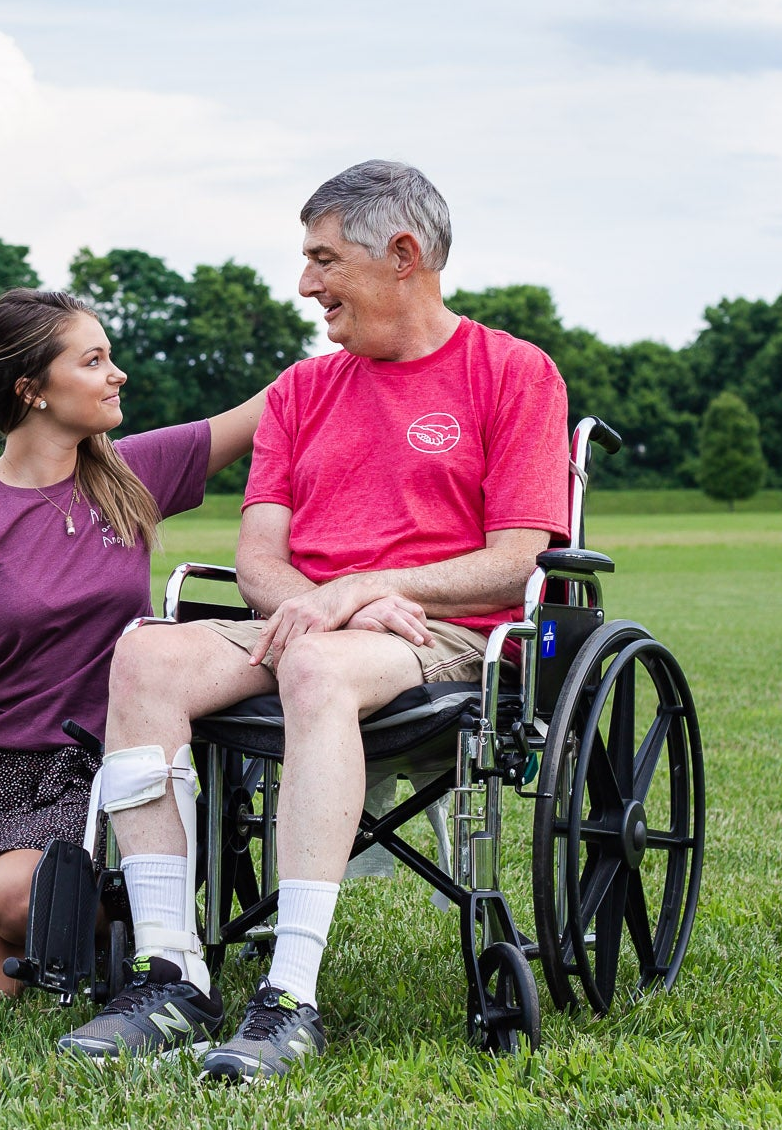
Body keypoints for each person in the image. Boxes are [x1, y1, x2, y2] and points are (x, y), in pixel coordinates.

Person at [56, 160, 571, 1080]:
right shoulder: (302, 391)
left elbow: (519, 556)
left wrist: (364, 593)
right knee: (144, 657)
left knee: (321, 669)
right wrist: (324, 601)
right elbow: (258, 557)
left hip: (445, 639)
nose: (306, 284)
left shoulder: (512, 372)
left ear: (403, 255)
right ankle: (170, 974)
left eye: (323, 259)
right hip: (303, 620)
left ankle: (289, 995)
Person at [0, 287, 269, 996]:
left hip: (97, 771)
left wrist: (370, 323)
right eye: (94, 360)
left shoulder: (129, 477)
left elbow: (266, 410)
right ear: (33, 390)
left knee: (16, 898)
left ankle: (128, 913)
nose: (116, 374)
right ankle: (93, 922)